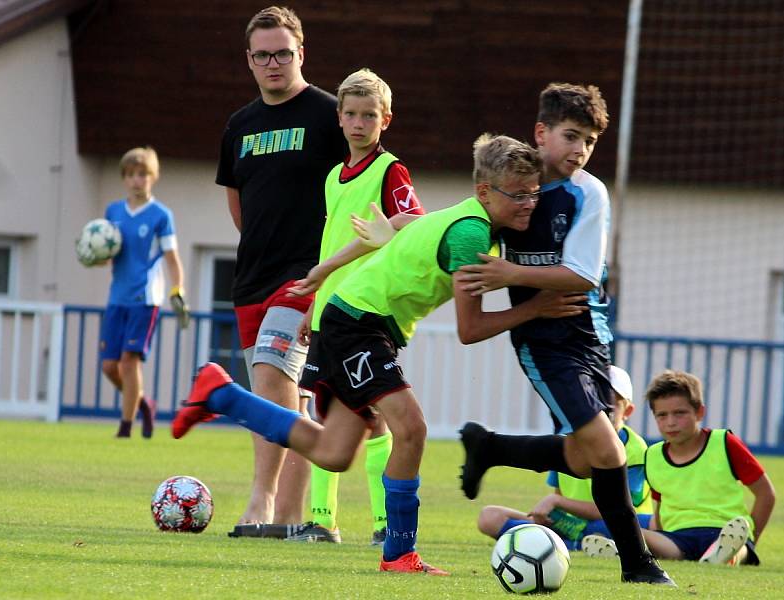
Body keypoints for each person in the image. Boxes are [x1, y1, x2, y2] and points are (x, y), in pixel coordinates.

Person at [174, 133, 588, 574]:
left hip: (354, 319)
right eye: (518, 195)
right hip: (358, 323)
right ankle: (398, 553)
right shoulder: (471, 233)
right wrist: (536, 307)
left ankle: (221, 394)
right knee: (411, 428)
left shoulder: (468, 218)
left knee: (334, 452)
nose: (530, 203)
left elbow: (406, 225)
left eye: (534, 193)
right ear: (485, 192)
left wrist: (345, 260)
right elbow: (469, 330)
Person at [456, 83, 675, 585]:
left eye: (590, 142)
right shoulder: (511, 184)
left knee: (581, 459)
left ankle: (489, 446)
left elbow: (583, 276)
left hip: (589, 339)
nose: (580, 150)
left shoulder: (587, 193)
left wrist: (510, 275)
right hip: (544, 343)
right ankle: (638, 565)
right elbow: (462, 224)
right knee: (608, 449)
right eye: (571, 136)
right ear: (541, 133)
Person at [214, 6, 345, 538]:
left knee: (271, 378)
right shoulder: (239, 126)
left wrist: (326, 274)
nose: (273, 63)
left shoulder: (330, 115)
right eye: (263, 55)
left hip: (305, 276)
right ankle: (290, 517)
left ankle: (261, 500)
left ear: (301, 54)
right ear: (249, 60)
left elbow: (357, 188)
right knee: (272, 393)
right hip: (251, 278)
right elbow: (238, 204)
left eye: (283, 54)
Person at [289, 68, 425, 545]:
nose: (359, 122)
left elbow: (414, 221)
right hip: (331, 311)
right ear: (340, 118)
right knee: (340, 416)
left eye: (369, 115)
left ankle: (377, 523)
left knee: (375, 417)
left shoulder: (391, 170)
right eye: (350, 113)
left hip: (364, 312)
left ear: (385, 119)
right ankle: (324, 520)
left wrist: (396, 228)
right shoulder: (332, 177)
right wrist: (314, 305)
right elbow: (333, 245)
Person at [582, 370, 776, 566]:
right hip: (677, 538)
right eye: (662, 415)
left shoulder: (725, 443)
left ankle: (737, 552)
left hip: (724, 529)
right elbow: (661, 508)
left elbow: (766, 494)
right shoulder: (653, 456)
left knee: (735, 545)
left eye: (679, 413)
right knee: (633, 533)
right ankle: (627, 551)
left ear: (699, 412)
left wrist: (751, 538)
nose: (671, 422)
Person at [477, 366, 653, 550]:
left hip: (613, 525)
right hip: (570, 526)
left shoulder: (635, 449)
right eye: (595, 402)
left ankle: (563, 544)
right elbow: (559, 499)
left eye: (610, 404)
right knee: (489, 517)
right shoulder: (566, 443)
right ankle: (577, 544)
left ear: (627, 411)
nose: (602, 411)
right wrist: (550, 514)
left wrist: (557, 502)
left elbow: (620, 511)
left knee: (627, 526)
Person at [98, 146, 188, 439]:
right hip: (117, 298)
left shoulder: (161, 215)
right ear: (124, 178)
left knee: (129, 361)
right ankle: (143, 403)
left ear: (153, 177)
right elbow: (108, 253)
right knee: (110, 367)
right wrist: (94, 255)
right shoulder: (113, 211)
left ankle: (125, 428)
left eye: (143, 174)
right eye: (132, 175)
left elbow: (172, 259)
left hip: (146, 298)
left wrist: (178, 289)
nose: (138, 180)